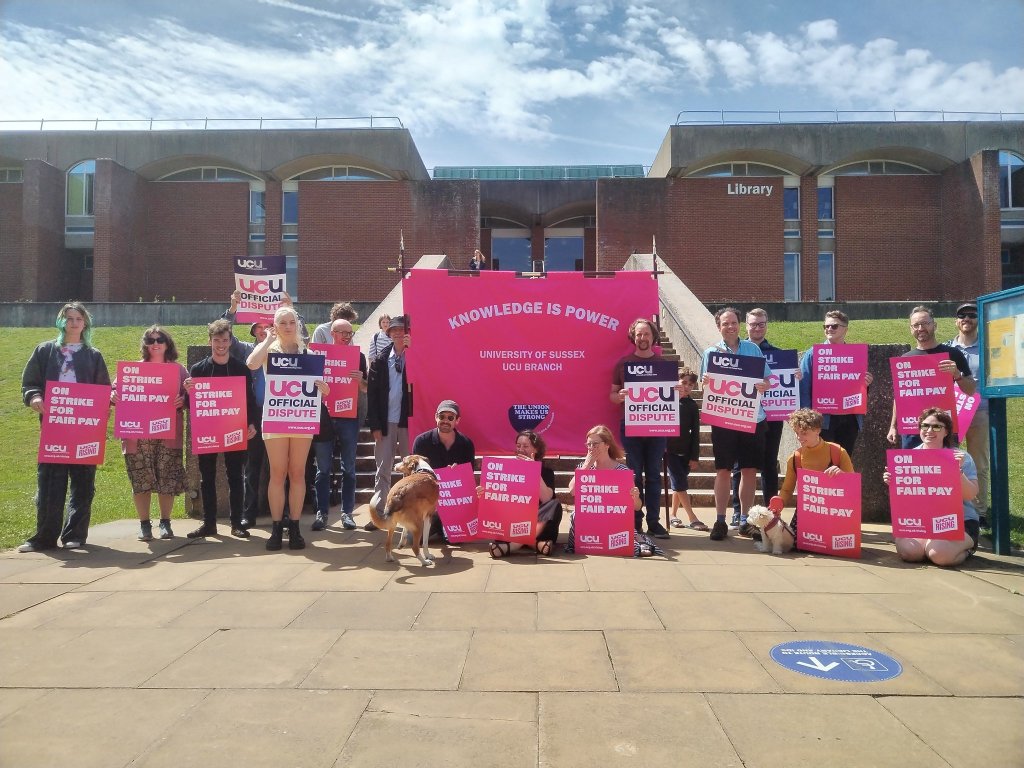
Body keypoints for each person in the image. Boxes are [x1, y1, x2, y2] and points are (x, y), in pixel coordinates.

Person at [19, 302, 111, 552]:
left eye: (78, 318)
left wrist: (109, 398)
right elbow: (30, 383)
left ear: (85, 323)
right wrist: (35, 397)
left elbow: (103, 389)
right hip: (54, 429)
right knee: (50, 483)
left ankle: (75, 535)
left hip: (84, 430)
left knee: (83, 483)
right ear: (61, 322)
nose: (73, 323)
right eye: (68, 318)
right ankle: (44, 537)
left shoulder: (93, 355)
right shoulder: (45, 351)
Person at [247, 306, 328, 550]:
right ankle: (275, 528)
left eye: (291, 321)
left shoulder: (309, 353)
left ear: (298, 324)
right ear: (275, 325)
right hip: (275, 419)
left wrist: (324, 389)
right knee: (277, 473)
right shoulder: (268, 351)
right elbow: (251, 364)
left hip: (301, 419)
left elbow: (316, 387)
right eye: (282, 322)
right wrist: (268, 339)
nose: (288, 326)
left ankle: (294, 527)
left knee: (297, 473)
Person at [700, 307, 772, 542]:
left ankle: (745, 521)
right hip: (723, 419)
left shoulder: (753, 349)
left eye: (733, 322)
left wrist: (764, 385)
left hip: (753, 417)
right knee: (723, 470)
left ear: (739, 325)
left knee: (749, 470)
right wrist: (706, 382)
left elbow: (769, 379)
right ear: (717, 326)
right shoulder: (711, 353)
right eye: (725, 323)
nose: (730, 327)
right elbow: (704, 386)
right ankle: (720, 520)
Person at [185, 319, 260, 539]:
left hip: (234, 428)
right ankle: (209, 523)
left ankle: (236, 523)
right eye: (216, 340)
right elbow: (192, 407)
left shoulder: (240, 368)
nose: (221, 344)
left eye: (225, 340)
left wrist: (252, 423)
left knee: (235, 476)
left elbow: (250, 399)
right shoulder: (198, 370)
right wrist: (189, 392)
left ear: (230, 341)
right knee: (206, 478)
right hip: (208, 430)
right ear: (210, 341)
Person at [113, 326, 187, 542]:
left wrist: (183, 399)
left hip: (167, 434)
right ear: (145, 345)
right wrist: (113, 395)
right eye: (151, 340)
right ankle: (144, 524)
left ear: (167, 343)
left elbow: (190, 395)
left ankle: (165, 522)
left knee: (167, 478)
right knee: (141, 479)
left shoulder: (178, 370)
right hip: (138, 435)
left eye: (160, 339)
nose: (155, 344)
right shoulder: (133, 370)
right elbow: (114, 390)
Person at [882, 407, 980, 566]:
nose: (929, 430)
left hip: (958, 521)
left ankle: (968, 547)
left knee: (939, 554)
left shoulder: (961, 457)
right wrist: (893, 482)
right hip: (921, 520)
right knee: (910, 552)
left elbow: (970, 495)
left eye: (936, 426)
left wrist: (957, 472)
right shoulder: (908, 458)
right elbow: (906, 498)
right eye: (925, 426)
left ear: (946, 431)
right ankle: (929, 545)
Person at [730, 308, 793, 533]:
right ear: (746, 325)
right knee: (740, 465)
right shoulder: (738, 351)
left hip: (773, 414)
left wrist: (794, 378)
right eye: (754, 324)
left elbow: (780, 382)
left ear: (767, 325)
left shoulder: (780, 354)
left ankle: (771, 512)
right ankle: (739, 511)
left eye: (762, 324)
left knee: (769, 463)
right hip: (744, 414)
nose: (757, 328)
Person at [610, 318, 671, 540]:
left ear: (653, 337)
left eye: (646, 334)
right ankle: (635, 521)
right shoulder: (623, 364)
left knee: (654, 475)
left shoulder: (663, 364)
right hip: (631, 425)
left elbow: (670, 396)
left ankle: (654, 523)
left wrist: (677, 392)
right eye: (638, 334)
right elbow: (612, 395)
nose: (642, 338)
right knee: (634, 476)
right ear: (633, 337)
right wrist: (621, 396)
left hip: (657, 426)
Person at [564, 426, 662, 557]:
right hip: (591, 516)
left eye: (595, 444)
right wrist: (587, 466)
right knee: (576, 514)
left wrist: (635, 496)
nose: (591, 447)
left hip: (612, 517)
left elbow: (637, 506)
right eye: (589, 444)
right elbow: (572, 491)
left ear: (607, 445)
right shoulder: (585, 468)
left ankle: (636, 540)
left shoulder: (622, 471)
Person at [886, 306, 974, 449]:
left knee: (946, 469)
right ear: (911, 329)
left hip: (943, 428)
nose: (920, 328)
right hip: (912, 429)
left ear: (934, 325)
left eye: (925, 323)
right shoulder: (905, 359)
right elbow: (900, 397)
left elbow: (971, 389)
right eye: (916, 325)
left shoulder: (953, 354)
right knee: (914, 470)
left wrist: (957, 375)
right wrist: (893, 426)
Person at [311, 318, 367, 531]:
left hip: (348, 418)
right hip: (323, 417)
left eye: (350, 333)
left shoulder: (358, 357)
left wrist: (361, 380)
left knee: (349, 469)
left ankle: (347, 513)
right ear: (332, 333)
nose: (346, 336)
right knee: (322, 469)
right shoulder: (318, 356)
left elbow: (364, 389)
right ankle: (322, 513)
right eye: (342, 332)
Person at [221, 291, 270, 528]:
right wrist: (232, 310)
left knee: (284, 468)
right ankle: (248, 514)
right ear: (253, 332)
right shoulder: (244, 350)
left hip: (283, 413)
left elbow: (300, 334)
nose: (263, 330)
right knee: (252, 467)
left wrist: (291, 307)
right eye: (258, 327)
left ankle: (286, 513)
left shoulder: (286, 348)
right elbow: (223, 333)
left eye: (268, 325)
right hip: (255, 414)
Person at [798, 309, 874, 457]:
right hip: (823, 420)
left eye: (834, 326)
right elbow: (804, 388)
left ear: (845, 329)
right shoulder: (813, 354)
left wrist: (867, 383)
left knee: (843, 462)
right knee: (822, 463)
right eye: (826, 326)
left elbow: (858, 388)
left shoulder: (855, 355)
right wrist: (808, 420)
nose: (829, 329)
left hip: (850, 419)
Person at [769, 408, 854, 538]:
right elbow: (787, 490)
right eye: (796, 433)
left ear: (818, 430)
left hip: (834, 511)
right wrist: (777, 506)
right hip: (806, 511)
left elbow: (853, 487)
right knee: (794, 544)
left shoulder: (838, 452)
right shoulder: (795, 457)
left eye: (804, 433)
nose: (799, 437)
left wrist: (842, 474)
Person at [366, 315, 411, 527]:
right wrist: (374, 425)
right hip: (386, 422)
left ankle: (411, 513)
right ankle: (379, 513)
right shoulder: (380, 360)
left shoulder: (417, 356)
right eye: (394, 330)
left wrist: (415, 354)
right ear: (389, 334)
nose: (398, 333)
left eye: (401, 329)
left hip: (408, 421)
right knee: (383, 468)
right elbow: (372, 395)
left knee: (412, 468)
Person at [487, 430, 562, 557]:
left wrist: (533, 470)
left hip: (537, 524)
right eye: (518, 445)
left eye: (525, 446)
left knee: (555, 506)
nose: (521, 449)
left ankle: (514, 545)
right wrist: (484, 493)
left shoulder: (546, 472)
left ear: (536, 449)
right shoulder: (507, 469)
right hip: (515, 522)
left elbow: (546, 499)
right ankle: (535, 544)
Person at [946, 301, 988, 522]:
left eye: (972, 315)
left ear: (978, 320)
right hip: (951, 414)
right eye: (962, 316)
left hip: (979, 411)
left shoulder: (987, 348)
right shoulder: (946, 348)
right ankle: (953, 504)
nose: (966, 319)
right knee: (949, 459)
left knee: (978, 462)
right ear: (956, 321)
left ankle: (979, 512)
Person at [412, 399, 476, 541]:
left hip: (454, 503)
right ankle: (438, 525)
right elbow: (414, 478)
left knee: (459, 539)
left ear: (457, 420)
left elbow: (468, 481)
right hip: (429, 502)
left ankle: (445, 526)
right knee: (416, 539)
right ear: (436, 417)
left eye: (450, 417)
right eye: (442, 417)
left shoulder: (466, 444)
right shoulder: (421, 442)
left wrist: (457, 473)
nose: (445, 421)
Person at [666, 370, 707, 531]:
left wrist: (694, 456)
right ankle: (692, 517)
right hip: (669, 450)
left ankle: (673, 515)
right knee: (680, 484)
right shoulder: (667, 401)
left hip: (686, 451)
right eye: (684, 383)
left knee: (678, 485)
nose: (687, 387)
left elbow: (696, 433)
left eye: (690, 384)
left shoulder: (691, 405)